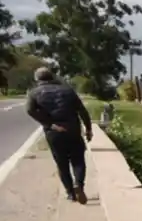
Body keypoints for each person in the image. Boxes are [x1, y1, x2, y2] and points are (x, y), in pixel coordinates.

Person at [26, 67, 93, 204]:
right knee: (78, 159)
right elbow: (82, 110)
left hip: (54, 132)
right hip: (72, 129)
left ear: (37, 79)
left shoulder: (34, 93)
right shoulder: (67, 90)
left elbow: (29, 110)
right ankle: (79, 185)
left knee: (61, 163)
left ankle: (70, 193)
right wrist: (88, 129)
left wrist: (49, 124)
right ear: (52, 77)